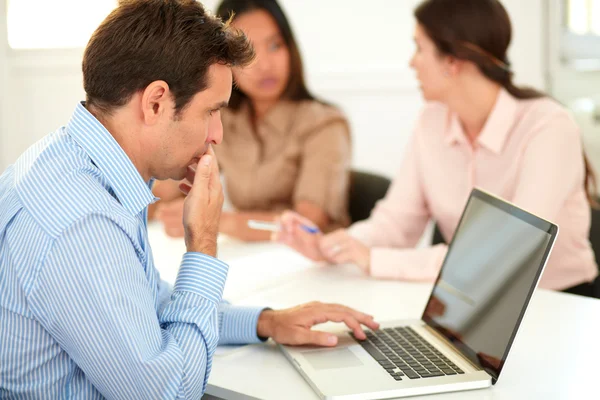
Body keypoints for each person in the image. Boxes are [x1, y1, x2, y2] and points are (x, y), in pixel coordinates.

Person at [0, 1, 378, 398]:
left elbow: (152, 307)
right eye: (211, 112)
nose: (216, 134)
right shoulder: (82, 224)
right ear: (156, 102)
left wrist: (266, 322)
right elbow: (169, 393)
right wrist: (203, 244)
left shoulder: (72, 162)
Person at [275, 0, 599, 295]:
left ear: (453, 60)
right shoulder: (430, 122)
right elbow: (397, 223)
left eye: (419, 48)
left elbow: (509, 255)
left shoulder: (548, 127)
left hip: (557, 300)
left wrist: (374, 259)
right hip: (467, 302)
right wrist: (336, 246)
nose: (412, 63)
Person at [151, 0, 352, 241]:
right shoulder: (224, 119)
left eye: (275, 45)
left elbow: (305, 223)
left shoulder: (325, 123)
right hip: (252, 257)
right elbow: (166, 189)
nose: (265, 65)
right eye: (248, 53)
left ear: (291, 47)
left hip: (314, 263)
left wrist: (214, 221)